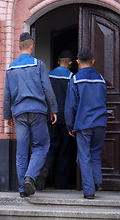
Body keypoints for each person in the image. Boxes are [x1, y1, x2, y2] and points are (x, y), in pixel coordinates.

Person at [3, 32, 58, 198]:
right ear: (32, 46)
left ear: (19, 46)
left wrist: (7, 115)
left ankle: (22, 189)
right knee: (41, 146)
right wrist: (53, 109)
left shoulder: (11, 68)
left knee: (21, 150)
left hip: (19, 113)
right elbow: (47, 89)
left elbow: (7, 95)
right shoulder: (38, 64)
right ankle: (30, 177)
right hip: (38, 112)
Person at [64, 47, 108, 199]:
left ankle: (89, 191)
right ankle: (98, 182)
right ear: (93, 61)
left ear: (77, 62)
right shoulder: (101, 78)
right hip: (100, 122)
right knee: (95, 153)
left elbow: (71, 107)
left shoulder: (75, 79)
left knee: (84, 156)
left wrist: (70, 125)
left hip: (84, 123)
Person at [36, 50, 73, 190]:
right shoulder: (71, 77)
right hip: (66, 118)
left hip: (50, 116)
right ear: (70, 63)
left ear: (58, 62)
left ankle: (45, 169)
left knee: (50, 146)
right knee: (65, 149)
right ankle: (61, 183)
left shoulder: (49, 75)